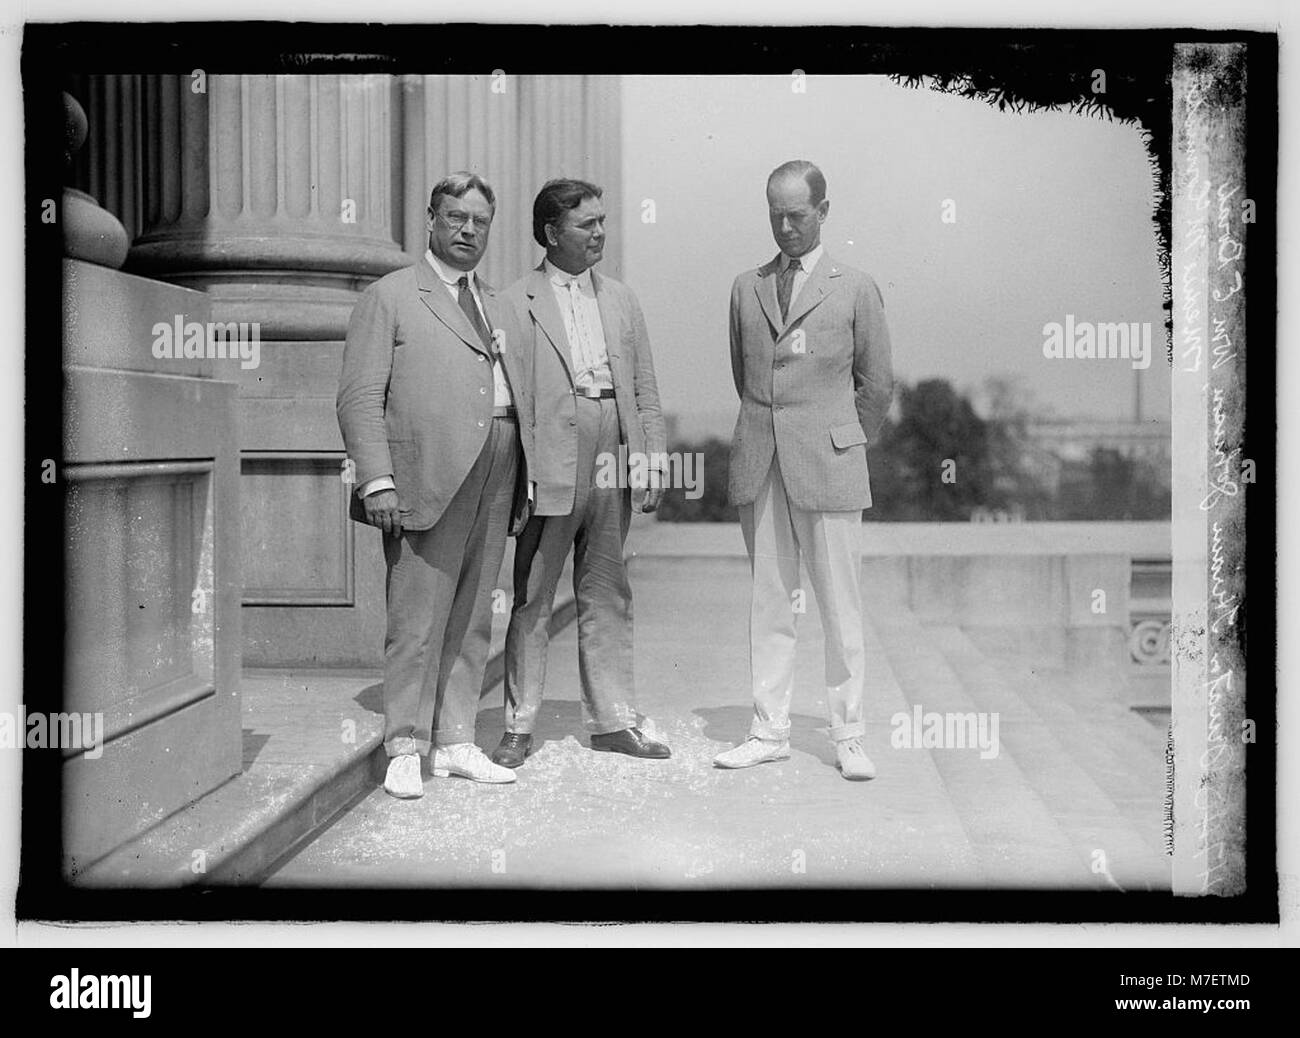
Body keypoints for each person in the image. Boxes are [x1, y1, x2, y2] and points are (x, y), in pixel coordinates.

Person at [337, 171, 533, 798]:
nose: (467, 230)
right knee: (417, 616)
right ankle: (403, 745)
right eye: (455, 218)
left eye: (478, 221)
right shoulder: (391, 296)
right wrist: (377, 480)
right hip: (424, 473)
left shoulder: (499, 304)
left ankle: (454, 741)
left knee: (474, 611)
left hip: (499, 463)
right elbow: (359, 398)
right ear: (431, 219)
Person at [713, 160, 894, 781]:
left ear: (824, 210)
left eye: (797, 214)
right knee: (770, 604)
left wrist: (842, 442)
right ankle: (768, 730)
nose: (785, 227)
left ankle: (848, 734)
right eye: (775, 215)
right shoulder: (746, 286)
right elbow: (747, 376)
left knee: (841, 607)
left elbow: (876, 383)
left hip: (832, 466)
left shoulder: (855, 286)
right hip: (762, 463)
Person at [491, 178, 671, 768]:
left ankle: (614, 720)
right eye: (585, 224)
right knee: (535, 594)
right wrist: (521, 478)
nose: (599, 233)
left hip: (613, 447)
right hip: (552, 455)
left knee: (606, 589)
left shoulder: (622, 298)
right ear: (550, 234)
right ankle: (518, 724)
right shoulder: (514, 301)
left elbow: (643, 388)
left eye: (602, 222)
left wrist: (648, 461)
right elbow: (510, 396)